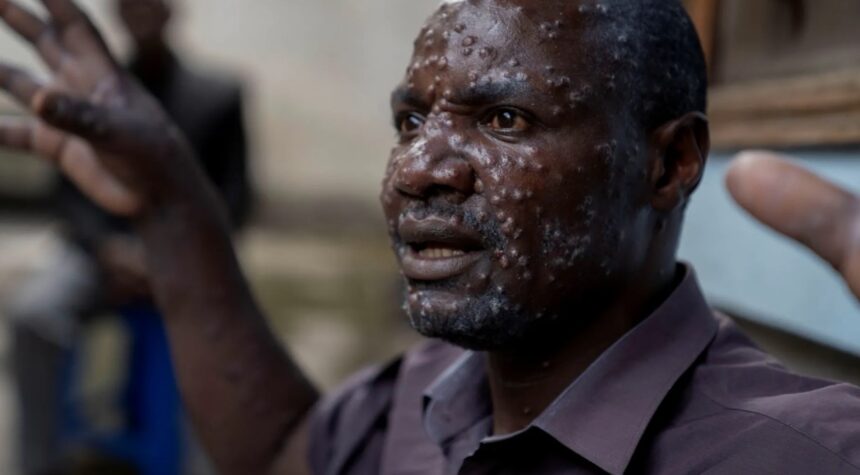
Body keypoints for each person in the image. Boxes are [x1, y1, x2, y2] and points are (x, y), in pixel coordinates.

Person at [0, 0, 858, 474]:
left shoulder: (796, 454)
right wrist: (169, 203)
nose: (418, 168)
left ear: (667, 163)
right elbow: (281, 453)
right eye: (410, 119)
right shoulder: (431, 393)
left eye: (506, 117)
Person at [3, 0, 251, 472]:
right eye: (129, 6)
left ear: (171, 10)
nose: (140, 14)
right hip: (101, 258)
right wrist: (107, 250)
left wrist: (172, 254)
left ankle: (201, 462)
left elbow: (235, 200)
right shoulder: (90, 95)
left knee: (222, 343)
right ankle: (36, 462)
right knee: (34, 312)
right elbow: (69, 196)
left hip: (186, 264)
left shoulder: (215, 96)